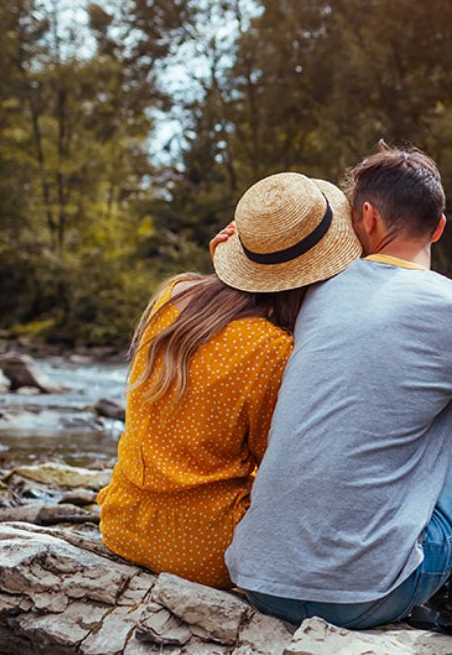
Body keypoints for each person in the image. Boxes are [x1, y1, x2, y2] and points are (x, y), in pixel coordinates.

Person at [218, 145, 452, 627]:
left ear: (367, 218)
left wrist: (228, 250)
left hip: (259, 580)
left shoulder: (316, 293)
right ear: (438, 228)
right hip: (369, 597)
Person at [97, 172, 361, 588]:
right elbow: (272, 464)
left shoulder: (174, 295)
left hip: (123, 525)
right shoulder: (274, 350)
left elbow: (218, 329)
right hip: (205, 554)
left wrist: (229, 271)